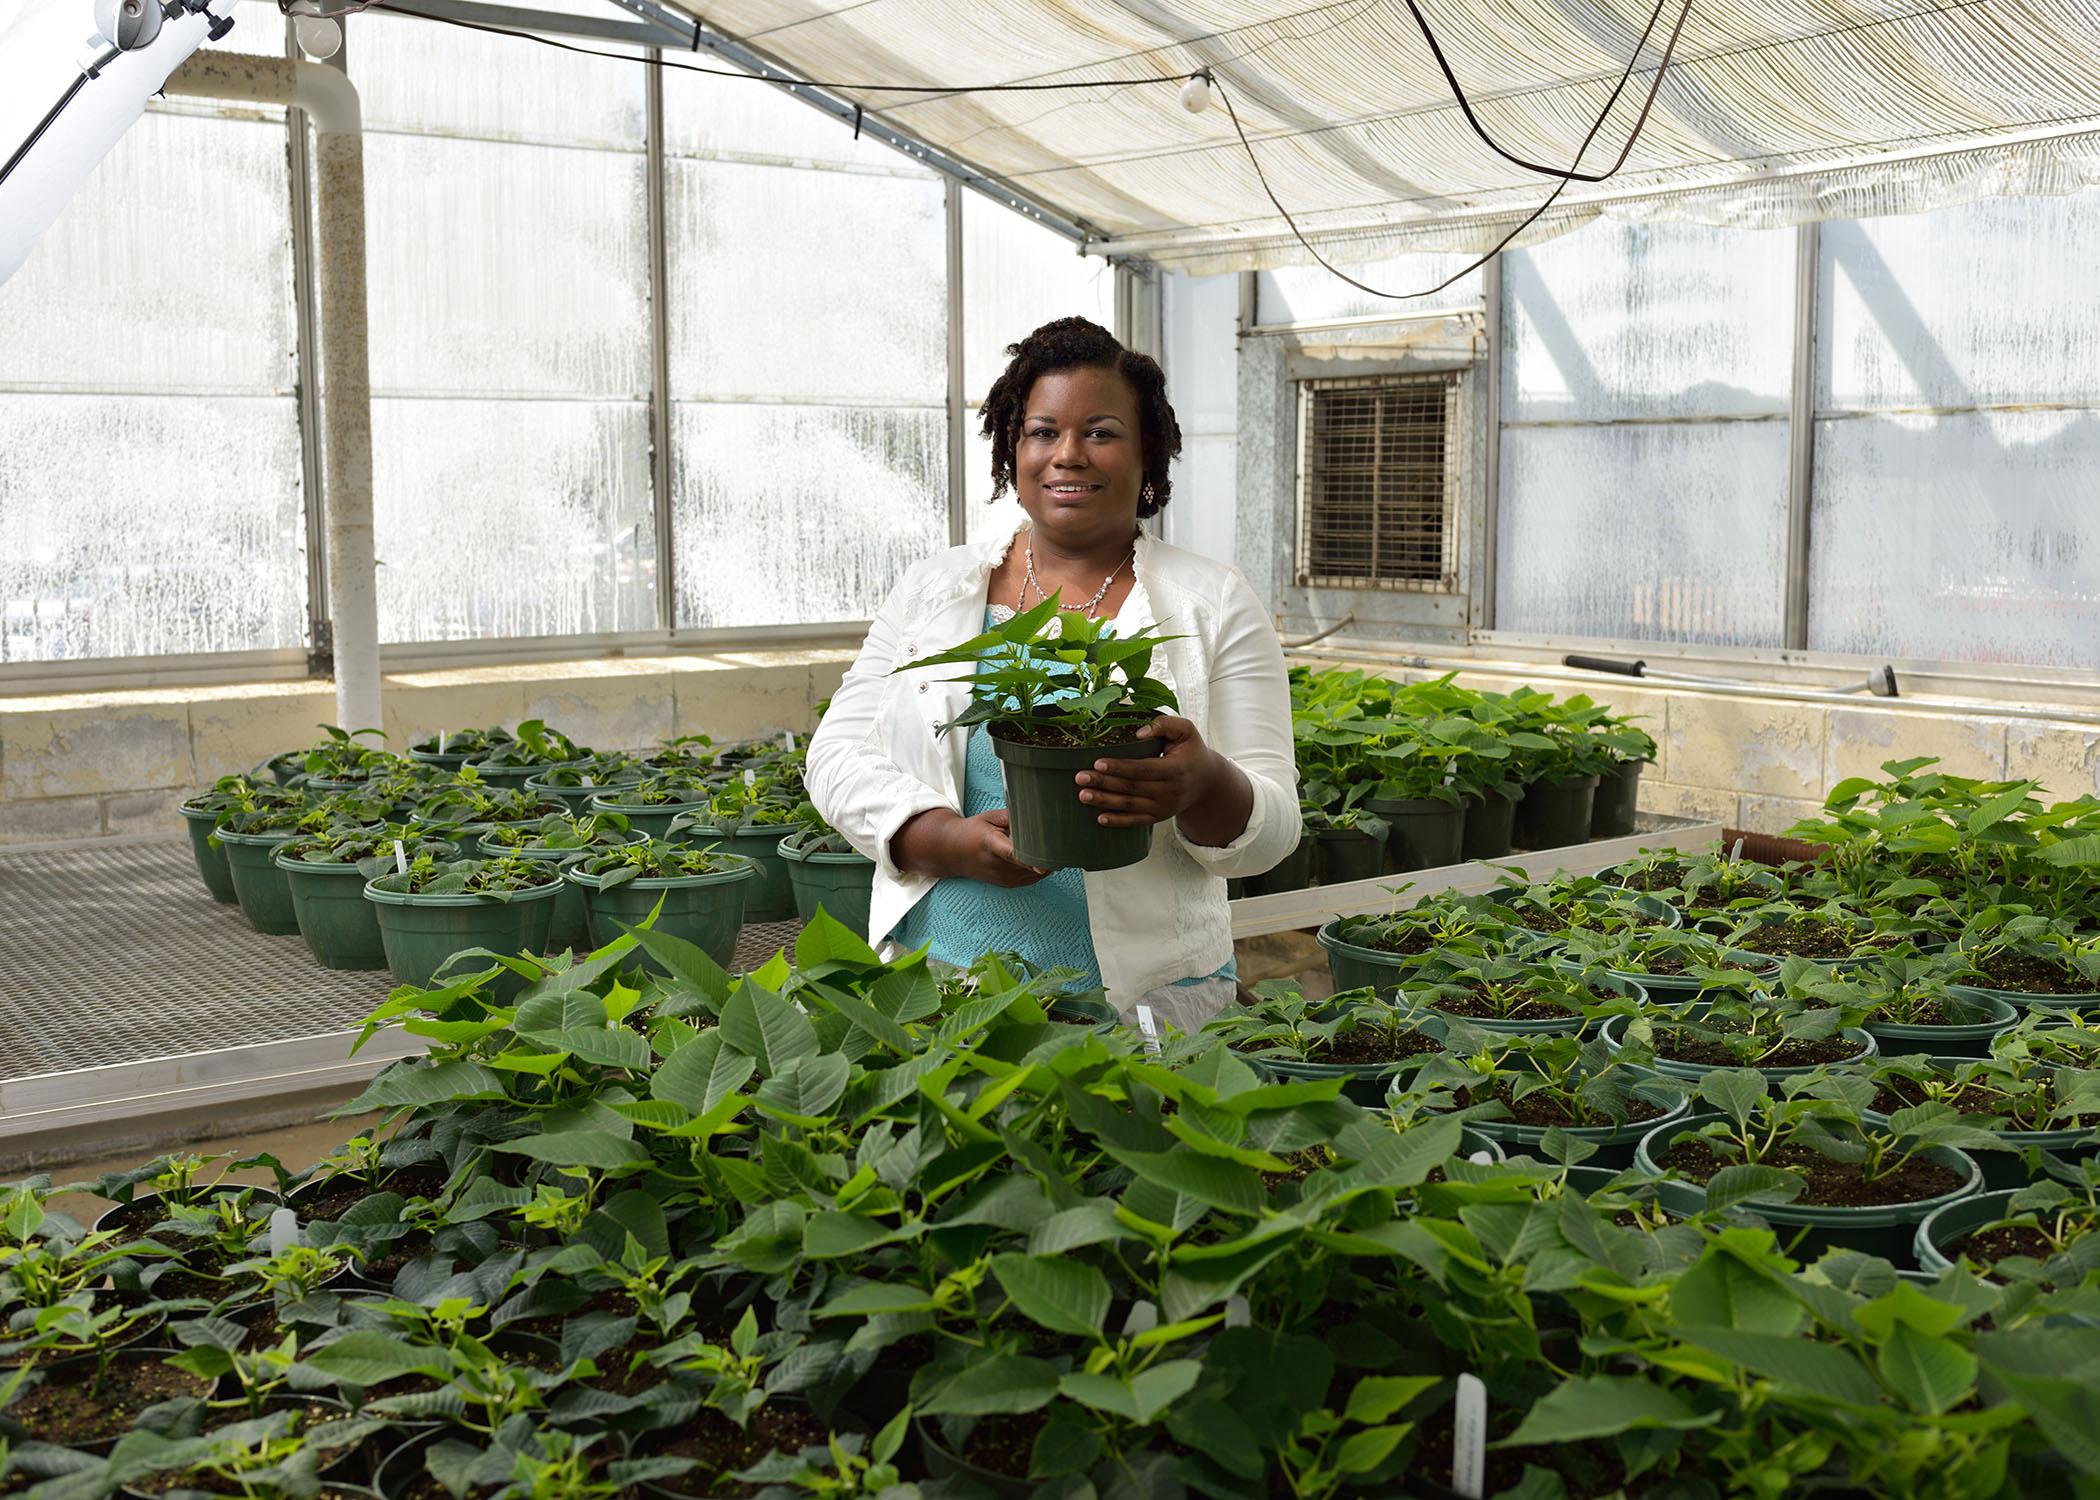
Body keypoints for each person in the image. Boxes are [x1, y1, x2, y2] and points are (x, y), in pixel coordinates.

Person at [805, 316, 1298, 1030]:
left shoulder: (1213, 601)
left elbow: (1275, 827)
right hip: (938, 986)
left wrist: (1205, 784)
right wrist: (942, 838)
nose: (1067, 455)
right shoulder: (935, 589)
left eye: (1100, 432)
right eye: (1042, 432)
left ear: (1148, 452)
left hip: (1143, 1002)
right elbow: (835, 756)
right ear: (1014, 448)